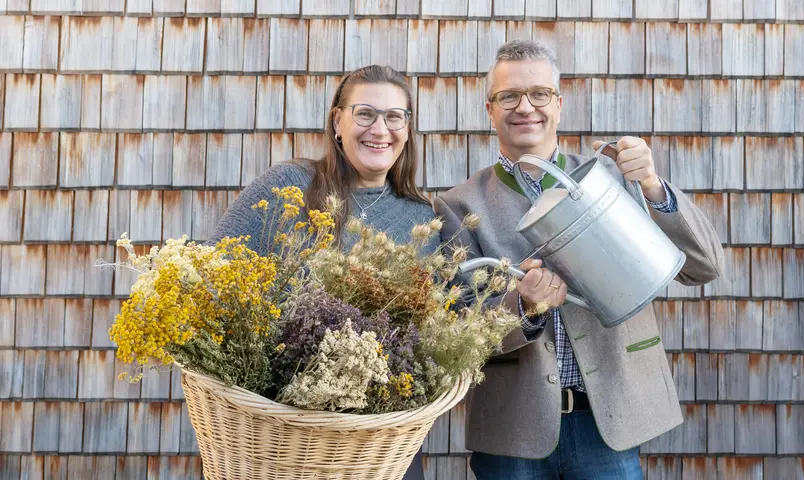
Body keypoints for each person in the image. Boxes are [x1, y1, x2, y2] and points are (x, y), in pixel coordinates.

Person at [433, 40, 725, 479]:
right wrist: (521, 308)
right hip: (515, 432)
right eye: (508, 96)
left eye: (539, 94)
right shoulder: (458, 206)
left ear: (559, 103)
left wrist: (652, 186)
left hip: (608, 422)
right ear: (489, 110)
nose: (525, 107)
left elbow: (703, 266)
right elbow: (455, 329)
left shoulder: (610, 179)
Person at [208, 65, 432, 480]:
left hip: (381, 446)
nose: (380, 129)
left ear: (407, 127)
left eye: (394, 116)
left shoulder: (421, 220)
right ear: (337, 121)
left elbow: (431, 334)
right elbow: (212, 272)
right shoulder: (285, 187)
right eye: (365, 113)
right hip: (279, 439)